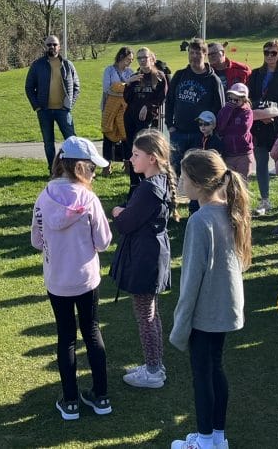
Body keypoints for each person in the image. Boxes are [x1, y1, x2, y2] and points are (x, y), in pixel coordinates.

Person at [169, 149, 252, 449]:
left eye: (183, 176)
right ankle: (217, 437)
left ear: (199, 182)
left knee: (202, 375)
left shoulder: (201, 220)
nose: (179, 181)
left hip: (207, 312)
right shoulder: (229, 211)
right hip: (225, 309)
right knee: (215, 368)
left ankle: (205, 441)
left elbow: (191, 280)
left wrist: (181, 325)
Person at [31, 136, 113, 421]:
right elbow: (103, 241)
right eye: (91, 167)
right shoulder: (88, 198)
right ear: (80, 167)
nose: (94, 172)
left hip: (57, 279)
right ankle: (101, 396)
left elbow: (36, 240)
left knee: (66, 336)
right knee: (91, 331)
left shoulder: (44, 196)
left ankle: (70, 402)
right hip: (86, 278)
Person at [110, 130, 178, 390]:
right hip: (152, 254)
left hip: (145, 257)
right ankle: (155, 364)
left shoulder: (149, 188)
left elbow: (126, 223)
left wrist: (118, 212)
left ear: (152, 158)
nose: (130, 159)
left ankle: (153, 371)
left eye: (136, 155)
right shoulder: (157, 182)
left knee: (145, 315)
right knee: (152, 313)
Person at [248, 40, 278, 217]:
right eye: (266, 52)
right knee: (260, 164)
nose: (269, 56)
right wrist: (261, 113)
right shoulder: (256, 73)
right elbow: (249, 96)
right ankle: (264, 200)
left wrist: (272, 112)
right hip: (259, 125)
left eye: (273, 53)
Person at [165, 38, 225, 177]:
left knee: (196, 172)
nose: (194, 57)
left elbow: (220, 108)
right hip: (178, 131)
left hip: (200, 133)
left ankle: (194, 199)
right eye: (191, 53)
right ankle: (174, 197)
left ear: (205, 54)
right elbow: (169, 101)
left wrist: (211, 131)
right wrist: (170, 125)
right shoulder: (180, 75)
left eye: (198, 53)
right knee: (174, 170)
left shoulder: (213, 80)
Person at [25, 35, 81, 169]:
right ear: (45, 47)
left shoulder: (67, 64)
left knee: (71, 140)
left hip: (63, 110)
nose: (52, 47)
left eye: (54, 44)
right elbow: (28, 87)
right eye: (49, 44)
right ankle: (53, 170)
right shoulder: (37, 65)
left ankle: (74, 169)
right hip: (44, 111)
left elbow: (76, 87)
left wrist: (69, 105)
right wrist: (37, 106)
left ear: (59, 46)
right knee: (48, 142)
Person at [123, 48, 169, 187]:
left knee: (145, 151)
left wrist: (147, 106)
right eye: (139, 58)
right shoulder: (136, 76)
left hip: (147, 120)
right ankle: (134, 184)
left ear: (151, 58)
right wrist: (129, 84)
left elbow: (161, 97)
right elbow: (127, 99)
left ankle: (148, 182)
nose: (142, 60)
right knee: (133, 151)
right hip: (131, 118)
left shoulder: (159, 76)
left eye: (145, 57)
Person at [101, 47, 135, 177]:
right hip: (110, 107)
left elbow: (131, 90)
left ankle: (127, 165)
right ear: (121, 57)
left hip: (125, 109)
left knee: (126, 136)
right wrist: (125, 85)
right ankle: (106, 166)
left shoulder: (130, 72)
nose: (130, 62)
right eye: (128, 59)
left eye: (131, 60)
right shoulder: (109, 70)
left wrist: (121, 87)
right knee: (108, 135)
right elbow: (107, 88)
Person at [216, 83, 254, 177]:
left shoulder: (247, 112)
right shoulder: (226, 109)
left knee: (242, 182)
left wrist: (226, 130)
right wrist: (228, 110)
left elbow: (242, 130)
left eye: (236, 100)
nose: (233, 102)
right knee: (229, 183)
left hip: (243, 153)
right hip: (228, 153)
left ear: (244, 99)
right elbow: (220, 127)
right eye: (230, 99)